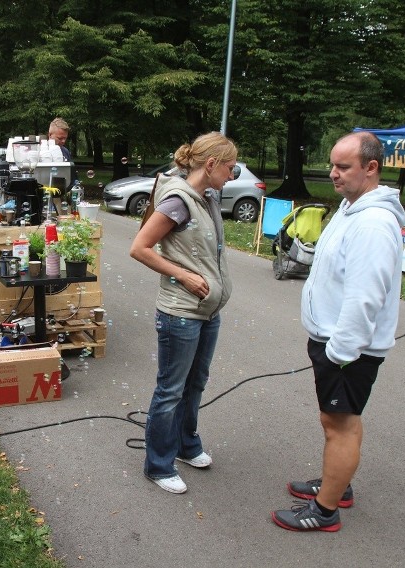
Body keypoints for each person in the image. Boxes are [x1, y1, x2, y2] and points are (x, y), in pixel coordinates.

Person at [271, 132, 405, 532]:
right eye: (332, 165)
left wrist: (341, 351)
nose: (333, 174)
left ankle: (325, 510)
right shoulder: (353, 209)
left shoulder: (373, 223)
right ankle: (337, 484)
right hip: (336, 341)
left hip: (347, 348)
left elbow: (366, 297)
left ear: (371, 168)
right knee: (341, 420)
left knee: (338, 424)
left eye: (343, 167)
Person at [128, 132, 236, 494]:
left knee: (196, 381)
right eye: (229, 167)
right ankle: (158, 465)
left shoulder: (207, 198)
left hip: (207, 310)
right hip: (180, 312)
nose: (232, 174)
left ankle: (186, 445)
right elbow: (140, 248)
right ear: (210, 165)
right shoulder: (179, 201)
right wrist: (184, 276)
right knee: (171, 389)